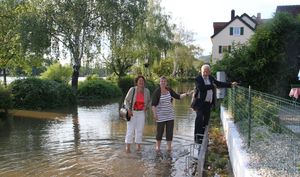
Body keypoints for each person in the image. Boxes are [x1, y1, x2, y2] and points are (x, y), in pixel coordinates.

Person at [191, 64, 237, 144]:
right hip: (199, 104)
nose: (205, 73)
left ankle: (203, 137)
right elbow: (201, 88)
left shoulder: (211, 78)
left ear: (209, 72)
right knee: (199, 119)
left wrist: (230, 84)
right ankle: (197, 139)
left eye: (206, 71)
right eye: (203, 71)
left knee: (206, 121)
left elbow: (219, 84)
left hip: (208, 103)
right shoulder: (198, 79)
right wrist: (212, 86)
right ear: (201, 71)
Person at [151, 76, 192, 151]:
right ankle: (158, 148)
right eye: (161, 81)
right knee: (159, 132)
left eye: (164, 81)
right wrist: (154, 114)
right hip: (160, 116)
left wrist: (186, 94)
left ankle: (169, 148)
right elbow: (153, 105)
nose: (163, 82)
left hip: (170, 115)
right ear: (159, 83)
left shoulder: (169, 90)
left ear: (166, 83)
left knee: (169, 132)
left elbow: (178, 96)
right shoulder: (157, 92)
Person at [124, 75, 151, 153]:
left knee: (139, 131)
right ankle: (127, 148)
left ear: (144, 82)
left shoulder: (147, 91)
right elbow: (126, 101)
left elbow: (149, 101)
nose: (141, 82)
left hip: (141, 113)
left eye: (142, 81)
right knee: (130, 130)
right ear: (136, 82)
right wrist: (128, 110)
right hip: (132, 113)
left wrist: (147, 107)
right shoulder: (132, 90)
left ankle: (138, 148)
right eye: (139, 81)